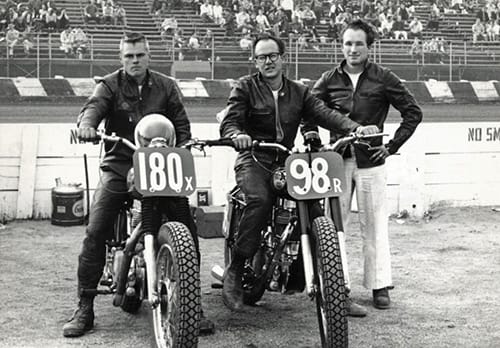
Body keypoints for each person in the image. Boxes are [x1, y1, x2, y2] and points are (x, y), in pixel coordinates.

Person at [62, 31, 215, 338]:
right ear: (122, 58)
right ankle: (85, 306)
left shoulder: (166, 86)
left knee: (186, 229)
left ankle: (190, 304)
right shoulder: (109, 85)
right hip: (121, 162)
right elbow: (92, 108)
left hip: (163, 164)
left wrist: (183, 145)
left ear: (148, 56)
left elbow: (182, 127)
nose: (134, 61)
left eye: (140, 55)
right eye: (129, 56)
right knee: (97, 228)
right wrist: (87, 126)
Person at [219, 33, 379, 312]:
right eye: (261, 57)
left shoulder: (298, 91)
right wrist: (237, 134)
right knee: (259, 200)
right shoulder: (244, 88)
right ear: (254, 61)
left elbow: (325, 113)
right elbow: (230, 121)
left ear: (283, 58)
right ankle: (236, 268)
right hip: (253, 158)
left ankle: (335, 292)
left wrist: (354, 128)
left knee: (316, 214)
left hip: (284, 159)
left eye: (272, 56)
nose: (267, 61)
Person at [311, 19, 422, 315]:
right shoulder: (328, 79)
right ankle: (338, 287)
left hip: (372, 160)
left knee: (374, 224)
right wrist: (312, 138)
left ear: (369, 47)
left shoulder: (384, 77)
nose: (353, 49)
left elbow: (413, 112)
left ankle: (379, 285)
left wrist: (392, 147)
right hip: (336, 161)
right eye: (348, 43)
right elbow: (307, 108)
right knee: (336, 226)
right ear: (341, 45)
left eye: (359, 43)